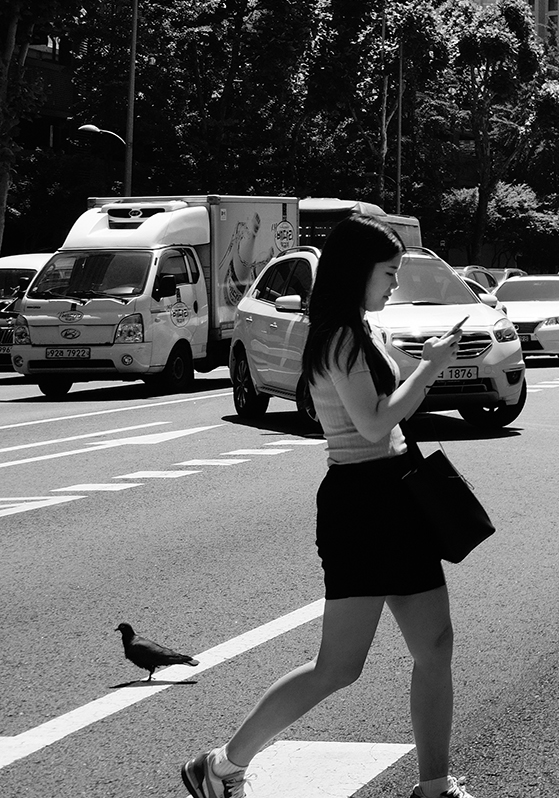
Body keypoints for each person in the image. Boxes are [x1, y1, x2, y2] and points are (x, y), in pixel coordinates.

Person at [181, 218, 476, 798]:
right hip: (362, 504)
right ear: (357, 272)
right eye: (388, 273)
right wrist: (430, 366)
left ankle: (434, 787)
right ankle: (219, 765)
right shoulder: (340, 336)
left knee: (435, 645)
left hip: (392, 493)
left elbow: (383, 415)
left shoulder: (359, 329)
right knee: (339, 666)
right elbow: (372, 423)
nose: (394, 284)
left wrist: (417, 368)